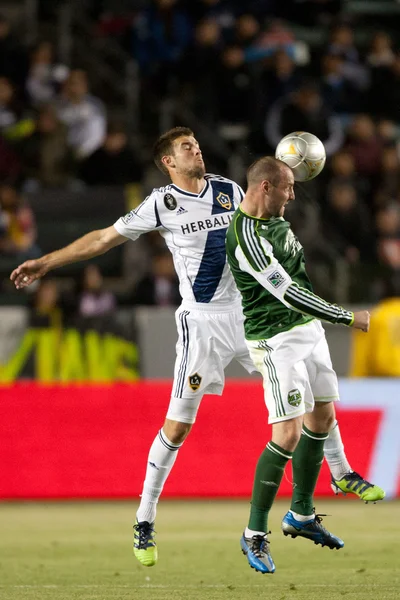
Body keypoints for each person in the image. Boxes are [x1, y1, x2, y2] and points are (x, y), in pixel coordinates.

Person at [10, 127, 384, 570]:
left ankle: (323, 490)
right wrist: (46, 263)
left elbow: (269, 197)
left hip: (249, 319)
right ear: (168, 161)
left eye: (197, 144)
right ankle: (144, 519)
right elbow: (103, 239)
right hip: (202, 325)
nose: (197, 150)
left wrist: (290, 173)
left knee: (308, 402)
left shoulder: (229, 190)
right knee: (178, 427)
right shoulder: (160, 204)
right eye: (186, 147)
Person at [225, 156, 384, 574]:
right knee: (288, 432)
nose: (294, 195)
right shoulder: (246, 239)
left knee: (323, 417)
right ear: (265, 188)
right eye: (288, 188)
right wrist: (349, 316)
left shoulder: (274, 214)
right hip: (277, 340)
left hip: (307, 331)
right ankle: (254, 534)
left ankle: (302, 514)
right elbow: (289, 293)